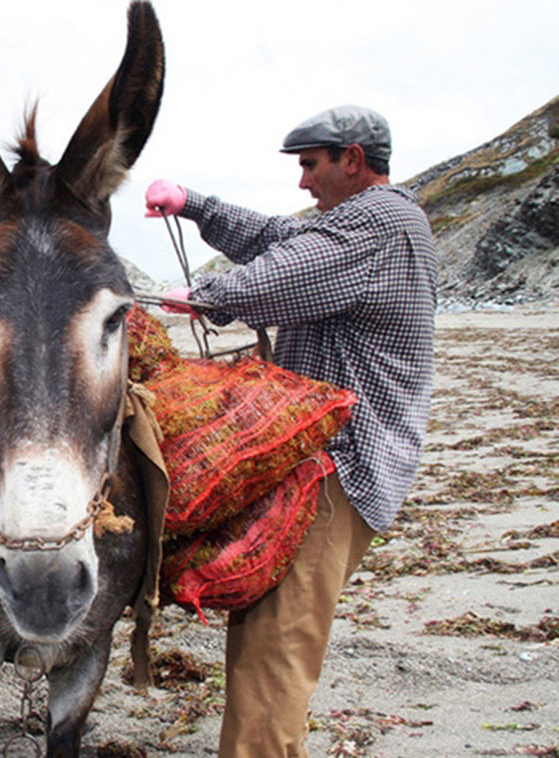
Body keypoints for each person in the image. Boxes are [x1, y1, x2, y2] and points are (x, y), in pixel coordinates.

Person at [143, 105, 437, 757]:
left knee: (274, 650)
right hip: (324, 461)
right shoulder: (365, 222)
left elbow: (283, 274)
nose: (302, 182)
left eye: (310, 165)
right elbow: (279, 239)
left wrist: (204, 294)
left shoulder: (380, 224)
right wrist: (193, 204)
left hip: (341, 466)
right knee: (264, 634)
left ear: (352, 160)